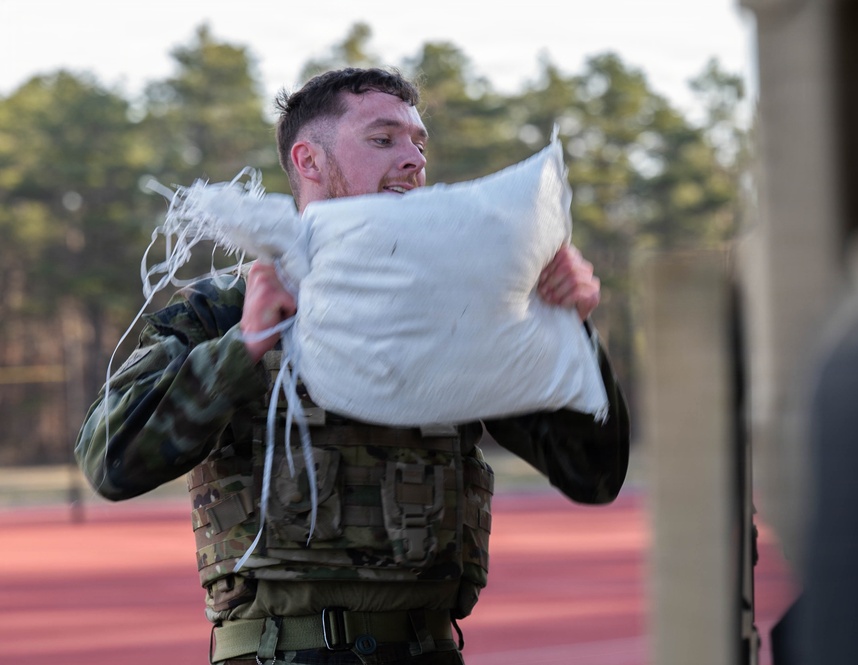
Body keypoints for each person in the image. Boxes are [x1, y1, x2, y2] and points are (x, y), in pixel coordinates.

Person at [75, 67, 630, 665]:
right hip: (280, 654)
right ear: (309, 161)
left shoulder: (461, 309)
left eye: (420, 143)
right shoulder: (227, 306)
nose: (414, 159)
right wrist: (244, 344)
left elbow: (592, 473)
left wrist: (568, 331)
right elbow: (110, 460)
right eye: (384, 139)